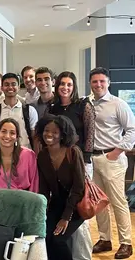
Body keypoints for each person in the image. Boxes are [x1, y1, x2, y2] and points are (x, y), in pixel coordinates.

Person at [46, 71, 95, 260]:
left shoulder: (83, 106)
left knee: (80, 213)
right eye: (62, 84)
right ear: (56, 86)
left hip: (81, 163)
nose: (65, 88)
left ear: (73, 87)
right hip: (59, 164)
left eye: (69, 84)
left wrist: (86, 160)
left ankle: (82, 257)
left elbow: (90, 134)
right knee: (64, 209)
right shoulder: (54, 108)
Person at [89, 67, 135, 259]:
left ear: (108, 82)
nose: (98, 85)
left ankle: (126, 243)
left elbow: (132, 130)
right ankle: (104, 239)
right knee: (98, 202)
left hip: (112, 158)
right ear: (90, 83)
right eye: (94, 81)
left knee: (118, 202)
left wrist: (116, 152)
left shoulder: (118, 104)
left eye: (102, 81)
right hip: (92, 159)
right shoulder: (87, 102)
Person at [36, 115, 85, 260]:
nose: (49, 134)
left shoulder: (73, 152)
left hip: (76, 205)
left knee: (58, 240)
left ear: (63, 134)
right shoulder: (42, 156)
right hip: (56, 204)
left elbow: (79, 187)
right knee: (44, 238)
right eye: (46, 130)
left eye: (55, 131)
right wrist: (42, 212)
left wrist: (66, 217)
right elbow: (44, 188)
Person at [0, 118, 38, 192]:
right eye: (3, 131)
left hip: (26, 200)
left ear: (17, 138)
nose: (7, 136)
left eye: (12, 133)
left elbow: (35, 184)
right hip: (0, 200)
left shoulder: (28, 155)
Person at [0, 73, 38, 151]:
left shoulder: (30, 111)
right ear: (2, 88)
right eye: (6, 85)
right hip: (2, 156)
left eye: (13, 84)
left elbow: (35, 139)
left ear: (19, 87)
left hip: (25, 155)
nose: (10, 87)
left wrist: (35, 159)